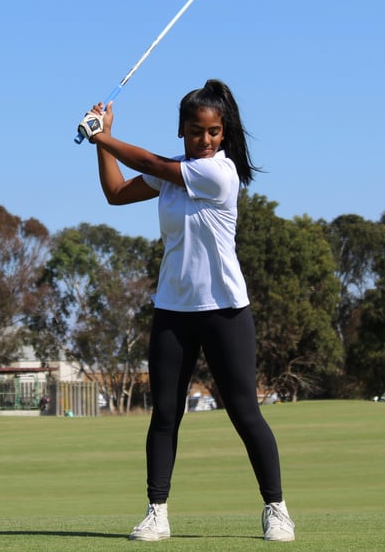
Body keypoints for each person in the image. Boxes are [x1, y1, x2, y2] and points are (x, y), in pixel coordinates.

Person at [84, 79, 295, 542]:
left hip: (224, 310)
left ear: (224, 133)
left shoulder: (221, 173)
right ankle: (156, 512)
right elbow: (116, 192)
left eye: (215, 131)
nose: (207, 140)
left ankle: (276, 509)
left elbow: (146, 162)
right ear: (182, 130)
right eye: (198, 131)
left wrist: (102, 135)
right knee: (165, 413)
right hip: (173, 310)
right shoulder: (173, 169)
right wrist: (101, 142)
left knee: (244, 412)